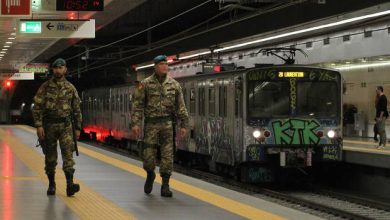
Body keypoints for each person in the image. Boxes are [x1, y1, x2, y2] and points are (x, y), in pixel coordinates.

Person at [131, 55, 189, 197]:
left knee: (167, 155)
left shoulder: (174, 85)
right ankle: (150, 174)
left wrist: (184, 125)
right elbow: (137, 105)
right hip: (151, 124)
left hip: (168, 124)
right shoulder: (144, 84)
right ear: (155, 66)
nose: (165, 66)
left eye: (166, 64)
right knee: (148, 157)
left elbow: (181, 106)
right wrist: (135, 123)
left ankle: (165, 185)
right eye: (162, 64)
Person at [32, 58, 82, 196]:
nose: (58, 70)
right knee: (50, 157)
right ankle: (51, 184)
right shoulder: (45, 87)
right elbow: (37, 107)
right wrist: (39, 125)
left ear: (65, 69)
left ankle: (69, 185)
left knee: (68, 156)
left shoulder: (71, 88)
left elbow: (76, 108)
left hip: (66, 126)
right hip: (49, 126)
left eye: (61, 68)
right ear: (52, 70)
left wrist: (77, 127)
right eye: (56, 68)